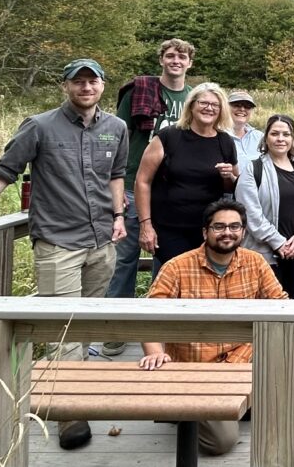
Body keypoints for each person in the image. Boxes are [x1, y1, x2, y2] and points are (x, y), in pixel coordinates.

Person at [0, 59, 128, 450]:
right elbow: (0, 174)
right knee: (63, 330)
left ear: (103, 85)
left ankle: (75, 392)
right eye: (78, 81)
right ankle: (68, 414)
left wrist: (119, 215)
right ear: (65, 86)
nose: (86, 87)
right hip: (58, 243)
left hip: (102, 240)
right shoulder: (39, 126)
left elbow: (116, 174)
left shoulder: (115, 128)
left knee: (86, 325)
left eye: (93, 81)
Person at [138, 199, 288, 456]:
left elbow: (281, 307)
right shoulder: (177, 267)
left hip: (240, 361)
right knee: (221, 443)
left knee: (281, 385)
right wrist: (154, 353)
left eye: (234, 226)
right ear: (205, 232)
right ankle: (185, 406)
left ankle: (216, 406)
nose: (227, 232)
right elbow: (150, 316)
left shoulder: (255, 263)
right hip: (194, 369)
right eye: (219, 227)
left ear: (243, 231)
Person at [104, 39, 194, 357]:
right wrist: (113, 185)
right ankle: (116, 329)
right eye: (170, 55)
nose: (175, 60)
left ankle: (163, 327)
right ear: (161, 60)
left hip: (170, 191)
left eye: (181, 56)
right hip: (132, 184)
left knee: (168, 261)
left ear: (189, 63)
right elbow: (118, 135)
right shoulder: (140, 91)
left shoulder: (192, 98)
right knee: (124, 259)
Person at [136, 82, 238, 270]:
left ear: (221, 110)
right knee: (172, 283)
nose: (209, 108)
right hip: (169, 228)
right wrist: (145, 225)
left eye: (215, 105)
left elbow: (233, 186)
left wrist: (228, 176)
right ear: (192, 105)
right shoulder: (169, 136)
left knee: (202, 286)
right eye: (203, 103)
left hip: (207, 231)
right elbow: (143, 181)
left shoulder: (225, 142)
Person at [235, 114, 294, 299]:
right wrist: (278, 242)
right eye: (275, 133)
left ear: (293, 138)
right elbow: (250, 214)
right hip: (263, 254)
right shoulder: (252, 169)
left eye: (286, 134)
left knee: (292, 311)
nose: (280, 139)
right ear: (266, 137)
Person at [228, 90, 264, 162]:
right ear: (226, 108)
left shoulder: (260, 137)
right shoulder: (217, 135)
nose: (242, 109)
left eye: (247, 107)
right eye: (237, 105)